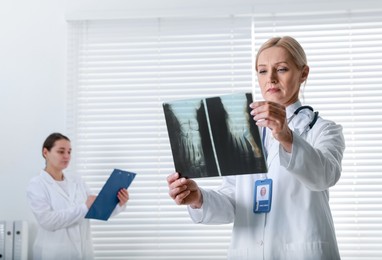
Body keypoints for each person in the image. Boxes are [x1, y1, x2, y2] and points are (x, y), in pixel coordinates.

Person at [167, 36, 345, 260]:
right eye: (262, 71)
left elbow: (324, 176)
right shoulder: (241, 132)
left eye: (281, 69)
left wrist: (287, 137)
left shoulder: (324, 130)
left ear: (303, 73)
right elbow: (233, 201)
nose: (270, 78)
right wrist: (198, 199)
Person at [27, 132, 129, 260]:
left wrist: (118, 203)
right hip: (54, 254)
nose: (66, 156)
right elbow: (47, 221)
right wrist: (84, 208)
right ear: (45, 152)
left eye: (69, 152)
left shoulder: (77, 180)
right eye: (61, 151)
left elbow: (96, 210)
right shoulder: (37, 184)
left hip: (83, 252)